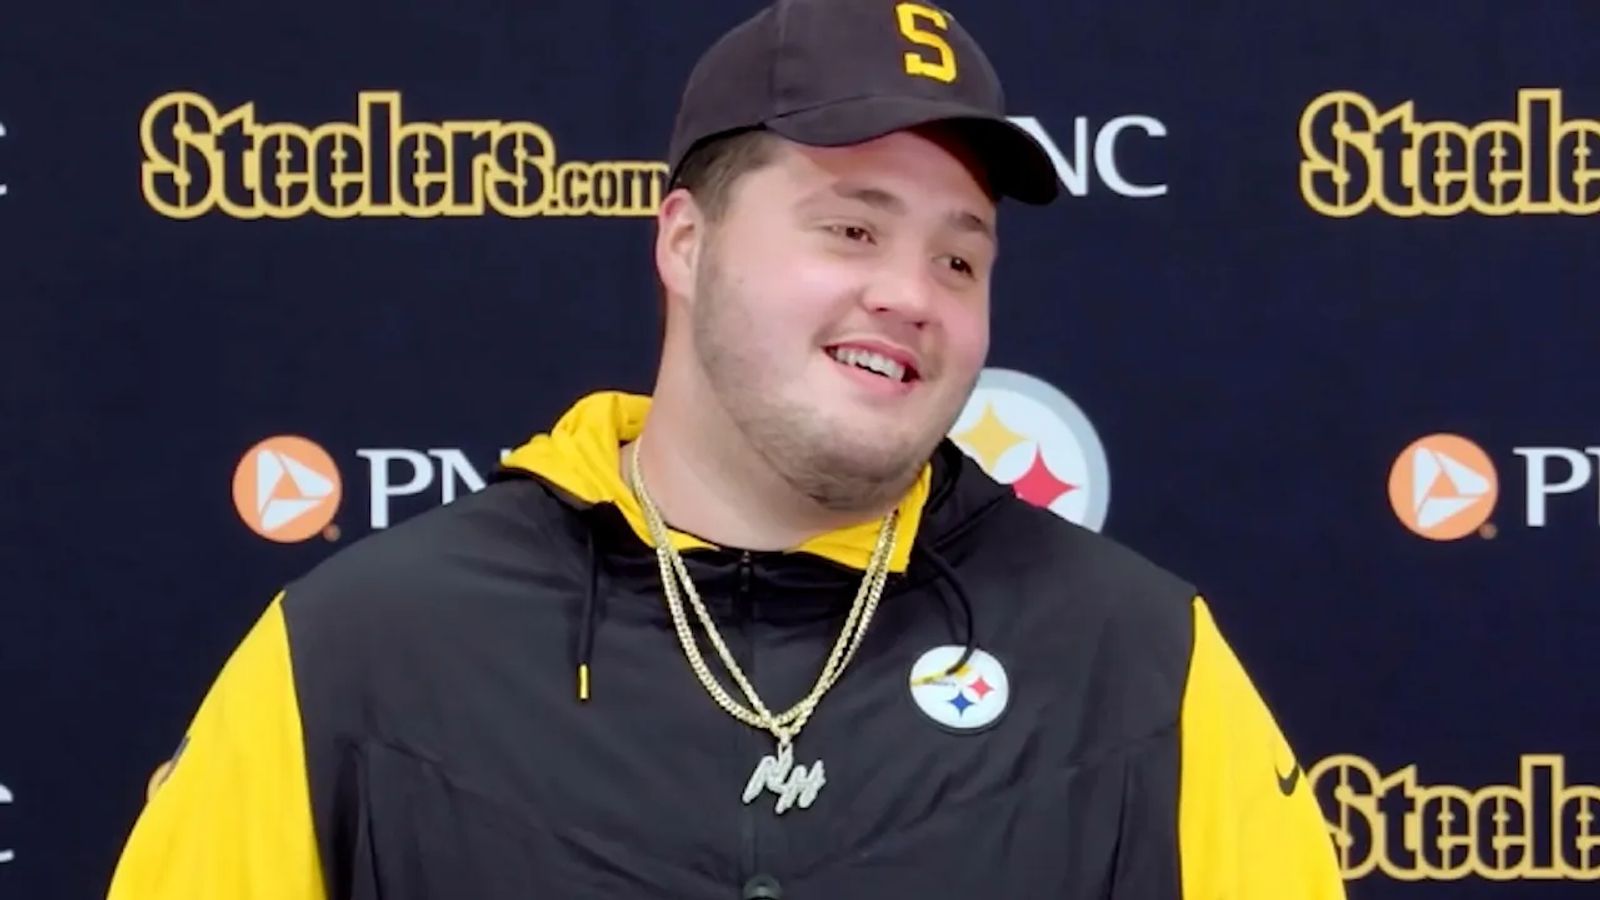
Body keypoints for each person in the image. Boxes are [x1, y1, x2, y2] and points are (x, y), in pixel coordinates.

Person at [106, 0, 1347, 897]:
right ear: (685, 244)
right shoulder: (360, 656)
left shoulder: (1139, 665)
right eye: (851, 230)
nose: (912, 295)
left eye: (958, 257)